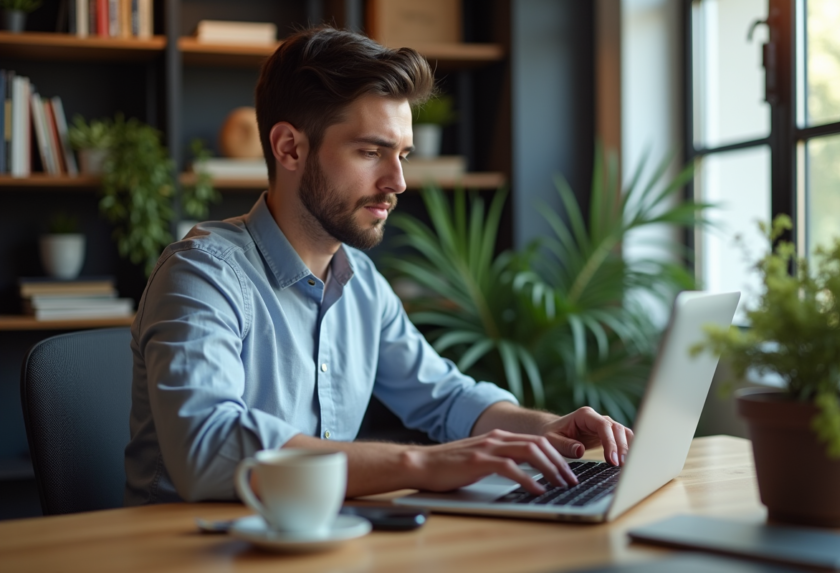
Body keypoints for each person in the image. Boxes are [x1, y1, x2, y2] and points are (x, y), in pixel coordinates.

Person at [124, 26, 634, 505]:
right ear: (290, 148)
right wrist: (419, 463)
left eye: (403, 155)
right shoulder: (202, 275)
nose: (398, 182)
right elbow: (206, 448)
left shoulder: (360, 282)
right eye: (372, 152)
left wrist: (541, 427)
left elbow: (445, 396)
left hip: (323, 542)